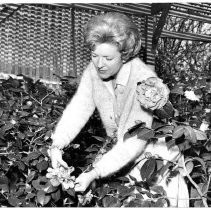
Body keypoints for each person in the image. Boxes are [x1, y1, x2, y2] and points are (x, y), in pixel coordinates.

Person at [48, 12, 189, 207]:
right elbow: (79, 108)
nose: (99, 64)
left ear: (124, 55)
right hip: (121, 160)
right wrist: (57, 146)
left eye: (107, 57)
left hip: (157, 165)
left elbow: (134, 142)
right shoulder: (94, 71)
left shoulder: (144, 82)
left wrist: (95, 172)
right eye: (94, 55)